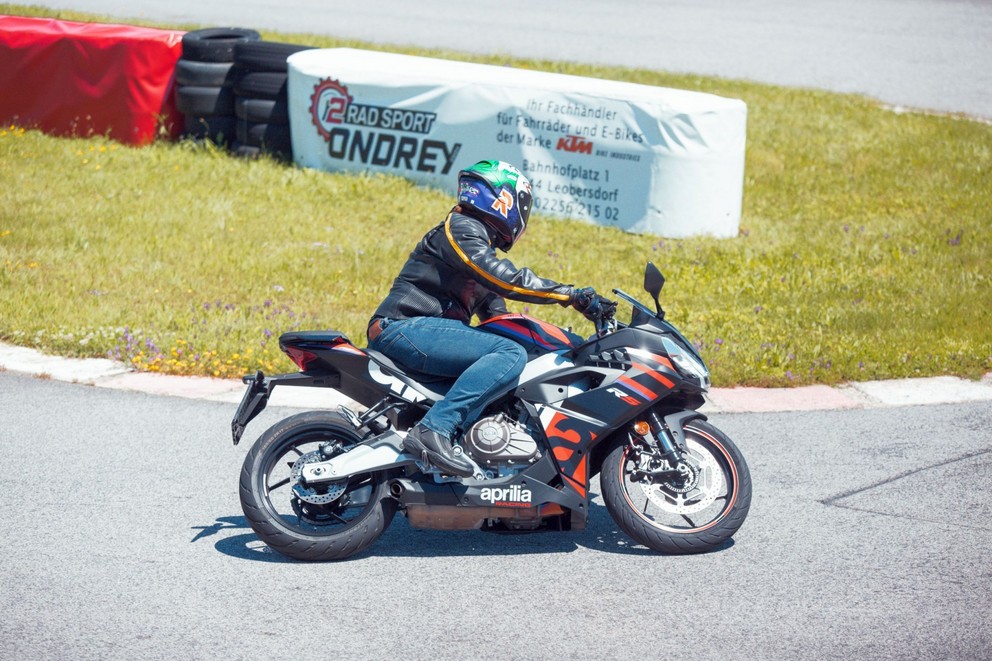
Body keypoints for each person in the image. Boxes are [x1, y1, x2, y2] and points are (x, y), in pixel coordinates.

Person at [367, 159, 615, 477]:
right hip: (403, 327)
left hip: (424, 332)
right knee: (509, 354)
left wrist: (568, 343)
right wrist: (570, 296)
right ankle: (433, 431)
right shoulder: (460, 229)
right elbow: (506, 281)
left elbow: (503, 318)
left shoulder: (475, 250)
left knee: (514, 357)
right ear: (503, 199)